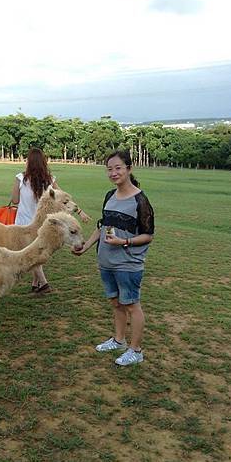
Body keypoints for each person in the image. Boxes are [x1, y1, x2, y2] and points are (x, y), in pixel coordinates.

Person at [73, 147, 154, 366]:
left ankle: (135, 350)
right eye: (109, 169)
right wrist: (85, 246)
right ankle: (118, 341)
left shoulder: (140, 200)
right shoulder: (110, 196)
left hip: (128, 263)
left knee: (131, 305)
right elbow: (102, 227)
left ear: (129, 169)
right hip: (107, 261)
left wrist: (124, 242)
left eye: (118, 168)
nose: (113, 173)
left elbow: (148, 235)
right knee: (116, 303)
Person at [11, 146, 90, 294]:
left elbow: (15, 200)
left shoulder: (20, 178)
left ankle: (43, 284)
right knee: (36, 252)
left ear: (28, 161)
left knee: (31, 254)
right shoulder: (50, 180)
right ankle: (37, 283)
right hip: (42, 224)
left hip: (24, 224)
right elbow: (64, 199)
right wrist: (80, 211)